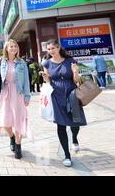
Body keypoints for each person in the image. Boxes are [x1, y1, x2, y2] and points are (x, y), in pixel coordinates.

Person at [41, 39, 86, 167]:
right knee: (61, 125)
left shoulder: (70, 61)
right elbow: (48, 82)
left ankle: (75, 138)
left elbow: (77, 81)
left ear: (59, 48)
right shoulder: (46, 63)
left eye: (52, 49)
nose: (50, 51)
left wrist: (75, 72)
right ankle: (67, 155)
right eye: (48, 49)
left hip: (71, 95)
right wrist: (46, 79)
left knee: (75, 122)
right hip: (56, 95)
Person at [0, 39, 32, 160]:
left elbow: (26, 80)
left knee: (18, 119)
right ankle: (11, 136)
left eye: (15, 46)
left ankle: (18, 145)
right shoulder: (1, 61)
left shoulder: (22, 63)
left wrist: (27, 96)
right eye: (10, 46)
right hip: (4, 93)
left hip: (18, 93)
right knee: (5, 120)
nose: (13, 48)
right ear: (6, 48)